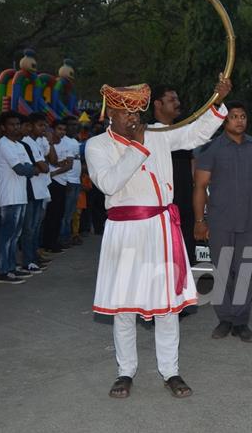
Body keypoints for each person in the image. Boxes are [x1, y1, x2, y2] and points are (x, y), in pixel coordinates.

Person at [85, 77, 231, 399]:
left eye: (137, 111)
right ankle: (125, 371)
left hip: (161, 229)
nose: (133, 118)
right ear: (111, 113)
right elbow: (109, 184)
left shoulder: (157, 134)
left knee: (167, 307)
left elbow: (195, 132)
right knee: (124, 308)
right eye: (125, 113)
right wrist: (137, 146)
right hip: (124, 232)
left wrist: (217, 102)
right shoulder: (97, 146)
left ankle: (171, 371)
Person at [193, 100, 252, 342]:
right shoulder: (211, 149)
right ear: (225, 120)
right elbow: (200, 186)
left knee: (246, 271)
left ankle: (241, 322)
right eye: (234, 116)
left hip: (251, 221)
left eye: (243, 116)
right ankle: (225, 319)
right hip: (220, 222)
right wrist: (200, 221)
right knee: (222, 271)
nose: (240, 120)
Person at [151, 85, 197, 265]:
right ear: (157, 104)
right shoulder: (148, 133)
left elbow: (192, 163)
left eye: (177, 99)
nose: (177, 104)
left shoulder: (182, 132)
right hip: (160, 207)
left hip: (185, 205)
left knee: (185, 258)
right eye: (171, 100)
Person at [0, 112, 36, 284]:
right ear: (3, 127)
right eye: (12, 124)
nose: (16, 127)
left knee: (15, 235)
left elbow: (31, 167)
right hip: (8, 197)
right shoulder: (3, 145)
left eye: (18, 124)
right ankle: (3, 271)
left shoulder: (19, 145)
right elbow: (23, 170)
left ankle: (11, 268)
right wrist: (28, 168)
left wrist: (28, 168)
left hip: (20, 196)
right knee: (7, 236)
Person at [18, 112, 53, 274]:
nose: (44, 128)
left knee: (36, 226)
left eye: (45, 125)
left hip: (40, 189)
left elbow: (47, 162)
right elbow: (43, 166)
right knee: (29, 228)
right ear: (31, 126)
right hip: (32, 189)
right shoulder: (26, 142)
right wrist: (42, 166)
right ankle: (28, 261)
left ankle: (34, 257)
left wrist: (43, 165)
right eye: (40, 125)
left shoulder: (37, 141)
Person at [42, 119, 73, 253]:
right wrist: (60, 165)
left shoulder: (68, 143)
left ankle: (53, 242)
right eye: (59, 129)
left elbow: (69, 165)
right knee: (49, 215)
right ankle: (46, 243)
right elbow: (54, 161)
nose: (62, 132)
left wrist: (53, 173)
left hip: (61, 182)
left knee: (58, 214)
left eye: (64, 130)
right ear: (52, 129)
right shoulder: (45, 142)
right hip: (49, 183)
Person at [59, 116, 82, 247]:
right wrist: (66, 180)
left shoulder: (74, 141)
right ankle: (63, 238)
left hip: (76, 182)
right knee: (65, 213)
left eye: (76, 125)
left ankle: (68, 236)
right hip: (68, 181)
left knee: (71, 212)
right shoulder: (64, 141)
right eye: (71, 125)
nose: (74, 127)